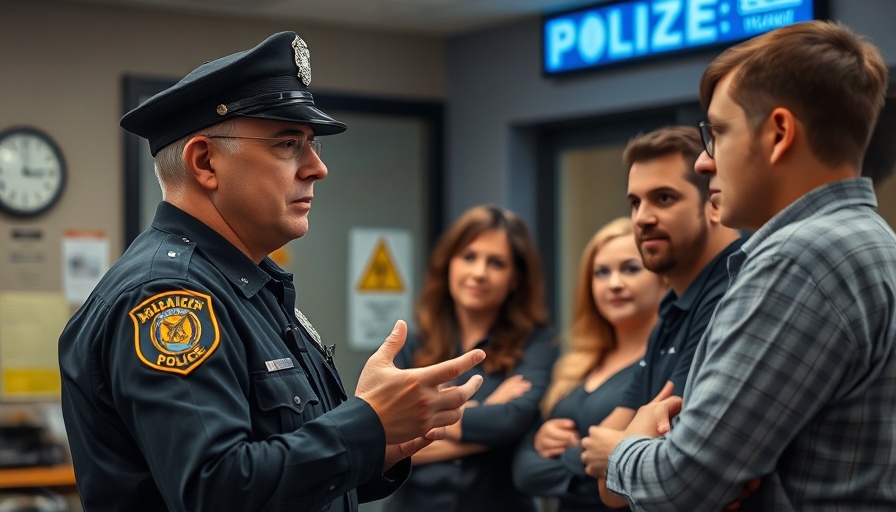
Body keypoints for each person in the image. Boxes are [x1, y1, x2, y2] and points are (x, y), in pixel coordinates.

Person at [57, 32, 487, 512]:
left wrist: (377, 443)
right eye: (288, 144)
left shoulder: (248, 285)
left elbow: (277, 470)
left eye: (312, 145)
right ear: (205, 162)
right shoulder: (169, 296)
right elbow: (216, 490)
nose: (317, 168)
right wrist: (366, 422)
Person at [581, 20, 896, 511]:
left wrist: (623, 447)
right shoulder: (870, 240)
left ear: (778, 133)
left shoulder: (798, 261)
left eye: (719, 133)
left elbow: (684, 485)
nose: (705, 164)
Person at [584, 125, 746, 508]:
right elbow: (600, 451)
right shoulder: (673, 309)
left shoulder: (734, 294)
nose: (641, 218)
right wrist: (624, 447)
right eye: (635, 202)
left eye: (663, 198)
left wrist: (620, 451)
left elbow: (660, 477)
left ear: (714, 202)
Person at [384, 204, 559, 512]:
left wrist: (425, 421)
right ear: (449, 264)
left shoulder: (538, 342)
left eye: (496, 263)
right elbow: (384, 443)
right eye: (469, 257)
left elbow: (512, 421)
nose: (479, 273)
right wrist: (487, 413)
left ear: (515, 278)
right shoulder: (411, 343)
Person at [512, 217, 667, 511]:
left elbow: (643, 478)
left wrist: (567, 456)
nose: (615, 284)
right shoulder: (574, 366)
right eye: (601, 273)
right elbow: (523, 471)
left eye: (631, 269)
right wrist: (548, 444)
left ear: (661, 278)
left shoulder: (664, 364)